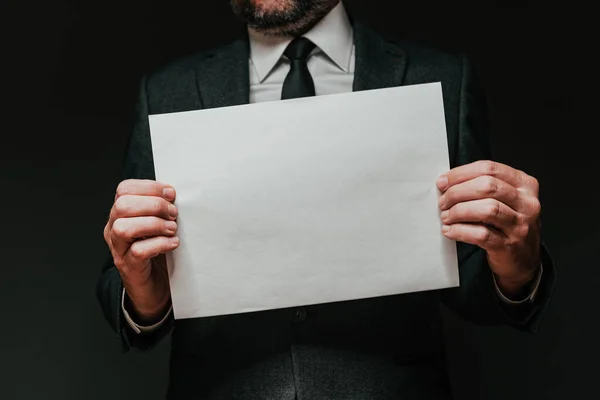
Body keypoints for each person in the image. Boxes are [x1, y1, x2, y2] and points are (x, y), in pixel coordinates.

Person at [97, 1, 555, 399]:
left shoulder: (441, 77)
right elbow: (124, 284)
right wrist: (142, 292)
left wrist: (518, 262)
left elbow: (474, 281)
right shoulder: (166, 92)